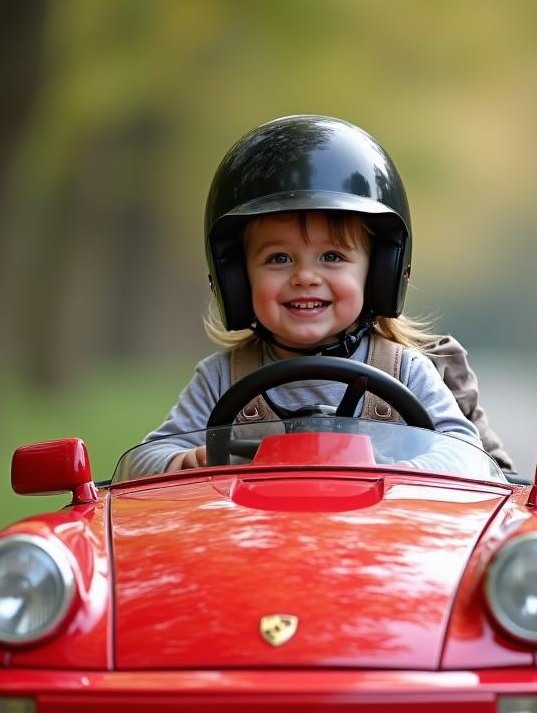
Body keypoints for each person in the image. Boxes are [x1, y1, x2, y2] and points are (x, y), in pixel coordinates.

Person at [136, 115, 512, 475]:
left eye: (332, 257)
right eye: (278, 258)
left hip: (384, 538)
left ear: (380, 274)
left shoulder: (407, 371)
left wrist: (398, 474)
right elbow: (144, 458)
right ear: (236, 277)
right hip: (257, 539)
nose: (305, 277)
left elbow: (466, 454)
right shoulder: (221, 379)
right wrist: (182, 463)